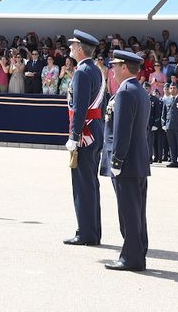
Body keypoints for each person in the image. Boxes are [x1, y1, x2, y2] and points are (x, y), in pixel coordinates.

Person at [99, 50, 151, 272]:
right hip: (137, 161)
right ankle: (138, 252)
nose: (112, 69)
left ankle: (131, 257)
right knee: (137, 211)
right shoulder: (137, 90)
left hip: (126, 163)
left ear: (124, 67)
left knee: (128, 211)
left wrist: (117, 161)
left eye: (115, 65)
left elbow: (122, 132)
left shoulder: (126, 92)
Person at [64, 30, 104, 247]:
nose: (70, 47)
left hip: (85, 133)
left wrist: (74, 135)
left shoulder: (82, 72)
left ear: (80, 49)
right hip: (95, 129)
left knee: (82, 184)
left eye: (73, 44)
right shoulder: (96, 70)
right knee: (91, 183)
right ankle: (93, 230)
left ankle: (86, 233)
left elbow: (79, 108)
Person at [161, 83, 178, 168]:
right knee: (171, 144)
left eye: (174, 88)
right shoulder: (166, 100)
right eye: (171, 88)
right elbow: (163, 114)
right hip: (169, 126)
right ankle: (173, 161)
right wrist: (163, 124)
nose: (172, 89)